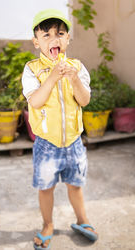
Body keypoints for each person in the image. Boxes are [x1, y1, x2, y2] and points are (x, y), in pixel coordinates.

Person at [22, 9, 98, 250]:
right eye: (46, 35)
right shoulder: (32, 69)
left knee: (75, 185)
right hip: (46, 144)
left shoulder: (77, 67)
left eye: (60, 34)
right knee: (46, 188)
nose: (54, 40)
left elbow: (84, 100)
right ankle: (48, 225)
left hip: (74, 142)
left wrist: (74, 79)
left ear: (67, 39)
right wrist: (53, 77)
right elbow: (35, 102)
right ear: (36, 41)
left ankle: (82, 220)